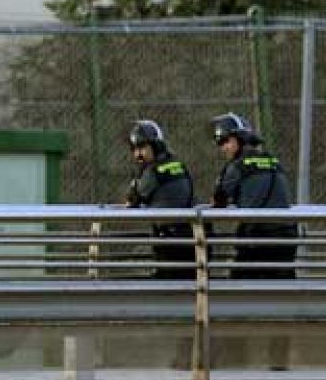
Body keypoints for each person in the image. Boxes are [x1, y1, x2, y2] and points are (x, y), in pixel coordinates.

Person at [210, 112, 296, 279]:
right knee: (282, 287)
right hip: (288, 236)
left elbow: (217, 201)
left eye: (226, 141)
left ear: (240, 139)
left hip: (259, 239)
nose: (223, 147)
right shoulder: (273, 161)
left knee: (237, 286)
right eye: (220, 143)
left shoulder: (237, 166)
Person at [123, 120, 198, 280]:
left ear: (155, 146)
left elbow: (131, 202)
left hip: (170, 241)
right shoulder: (178, 164)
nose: (138, 155)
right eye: (135, 149)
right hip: (192, 237)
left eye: (142, 148)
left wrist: (136, 182)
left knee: (167, 284)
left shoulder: (152, 172)